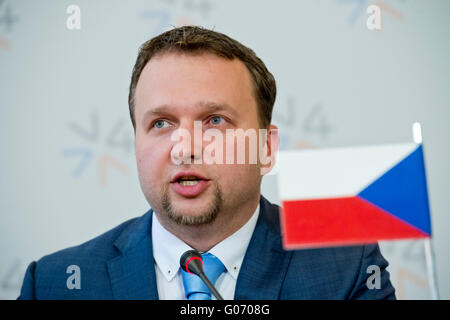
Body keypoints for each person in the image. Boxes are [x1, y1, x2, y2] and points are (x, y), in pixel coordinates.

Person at [18, 26, 395, 300]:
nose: (185, 148)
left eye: (215, 121)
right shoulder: (56, 283)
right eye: (161, 124)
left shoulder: (348, 269)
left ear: (265, 148)